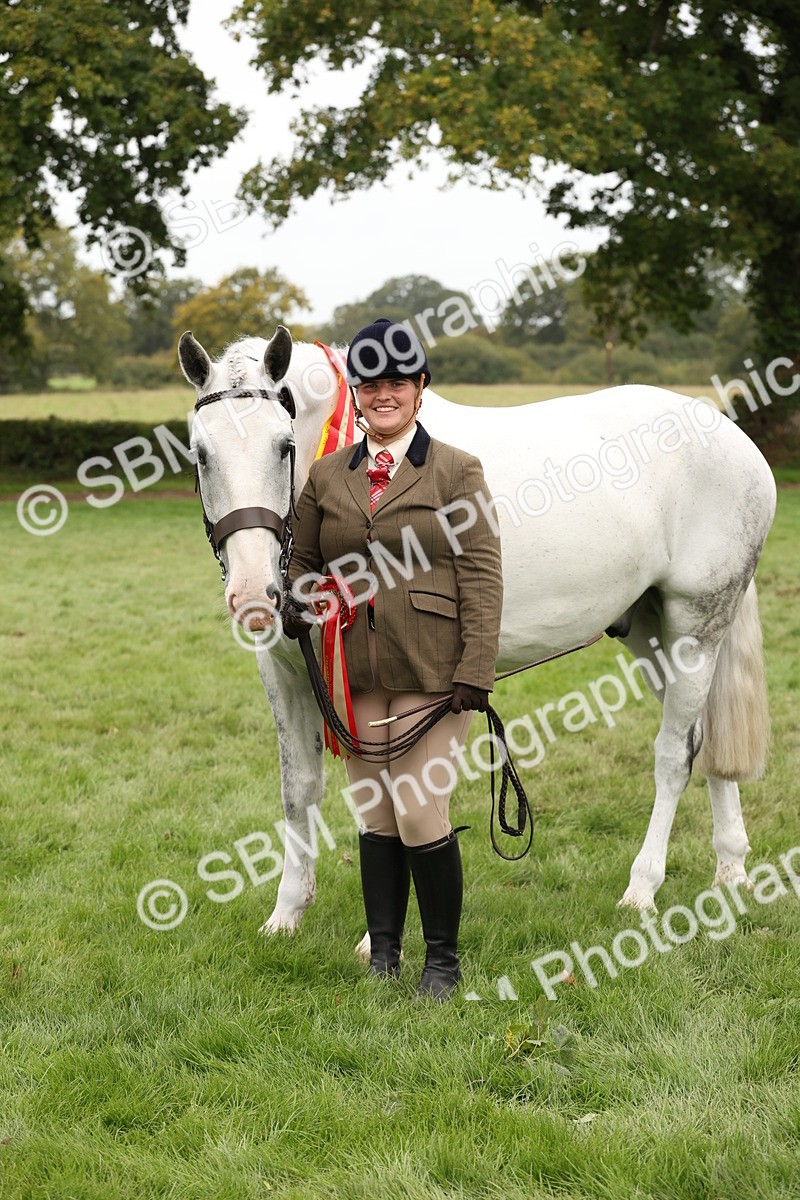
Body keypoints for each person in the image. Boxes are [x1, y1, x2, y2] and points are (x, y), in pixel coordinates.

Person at [282, 317, 503, 1001]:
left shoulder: (457, 470)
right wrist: (299, 599)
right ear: (356, 394)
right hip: (355, 670)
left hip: (433, 670)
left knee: (418, 811)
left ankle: (443, 963)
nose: (384, 395)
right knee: (376, 817)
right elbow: (304, 560)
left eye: (398, 383)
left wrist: (476, 670)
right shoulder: (327, 475)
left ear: (420, 388)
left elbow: (483, 574)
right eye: (371, 384)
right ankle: (384, 953)